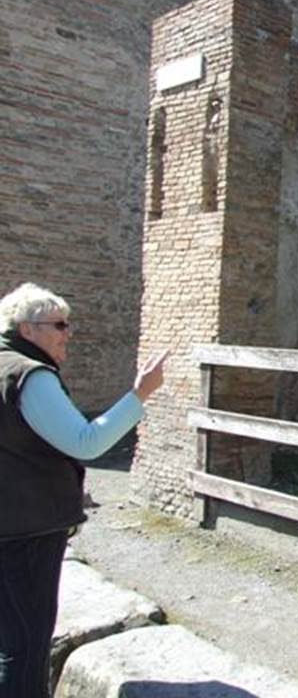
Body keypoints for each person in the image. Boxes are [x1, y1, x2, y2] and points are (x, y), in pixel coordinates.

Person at [0, 282, 167, 698]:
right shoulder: (28, 375)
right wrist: (140, 394)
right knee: (26, 645)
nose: (67, 333)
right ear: (27, 330)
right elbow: (85, 442)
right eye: (59, 324)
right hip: (27, 530)